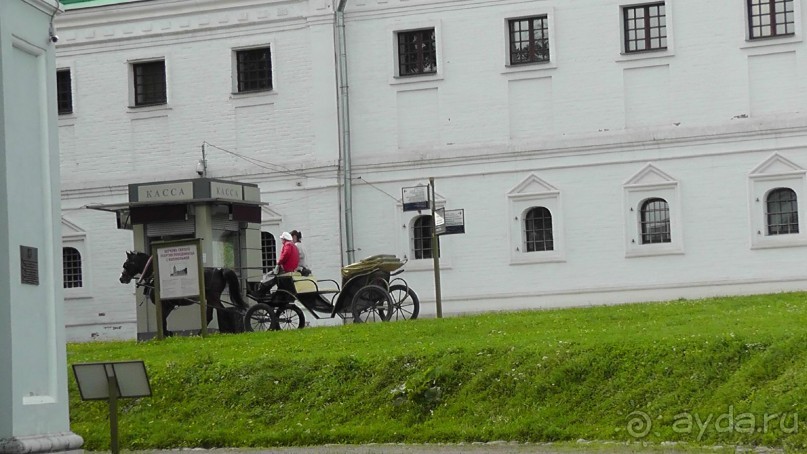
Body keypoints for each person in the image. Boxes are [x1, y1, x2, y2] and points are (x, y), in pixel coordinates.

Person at [251, 231, 299, 299]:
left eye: (282, 239)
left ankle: (261, 292)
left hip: (285, 268)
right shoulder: (294, 246)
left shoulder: (288, 245)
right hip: (291, 268)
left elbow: (286, 254)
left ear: (284, 239)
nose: (281, 240)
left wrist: (279, 262)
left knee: (270, 276)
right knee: (273, 275)